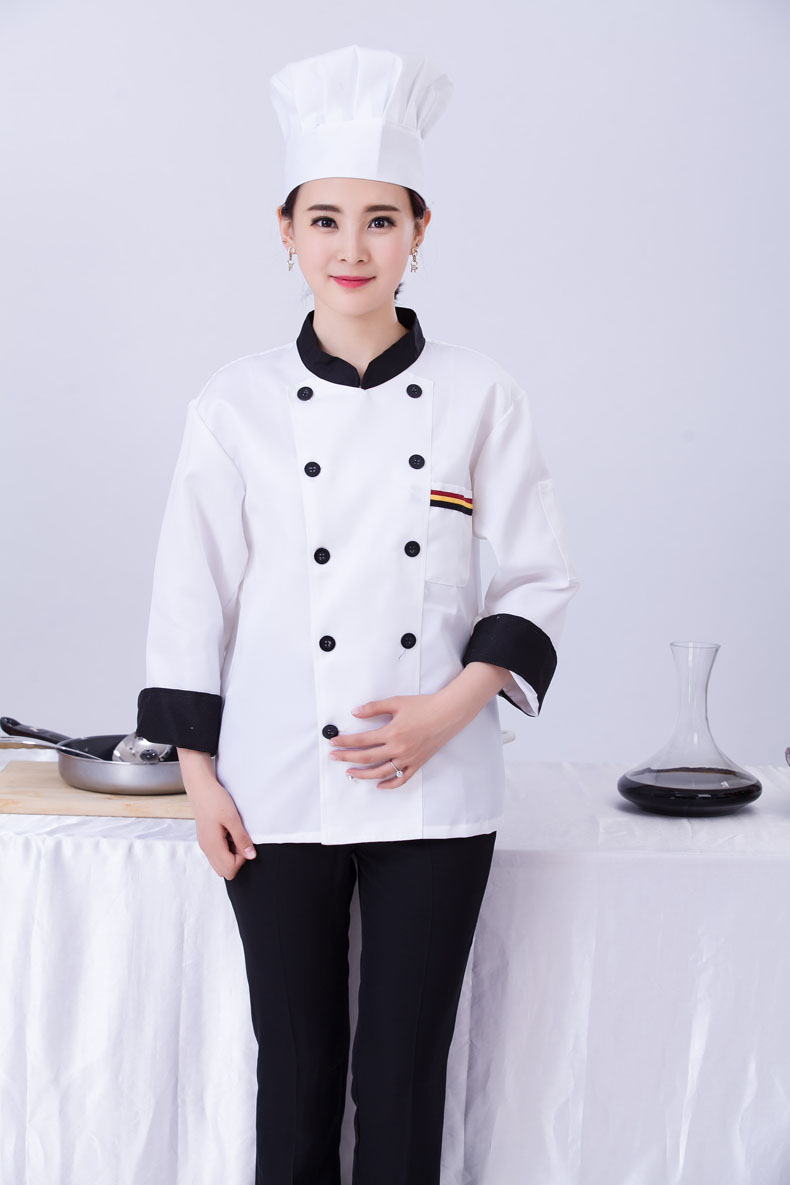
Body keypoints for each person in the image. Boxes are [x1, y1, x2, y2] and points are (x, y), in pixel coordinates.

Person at [136, 43, 581, 1185]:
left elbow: (536, 577)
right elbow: (192, 595)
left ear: (420, 232)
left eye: (380, 220)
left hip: (441, 785)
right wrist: (200, 779)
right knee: (292, 1078)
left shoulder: (482, 393)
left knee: (402, 1082)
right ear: (284, 232)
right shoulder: (233, 403)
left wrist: (446, 712)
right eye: (325, 220)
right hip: (273, 782)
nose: (351, 248)